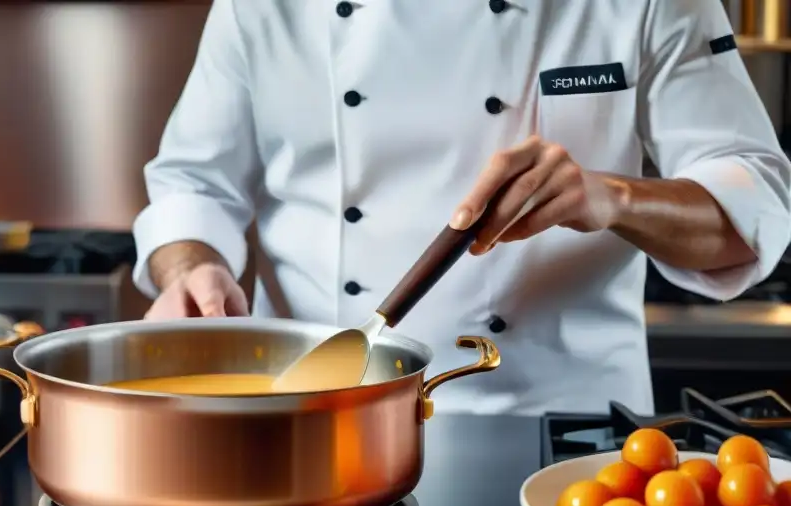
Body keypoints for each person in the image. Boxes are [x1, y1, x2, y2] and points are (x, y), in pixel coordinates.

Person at [131, 0, 791, 415]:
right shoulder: (262, 9)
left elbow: (753, 208)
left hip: (566, 432)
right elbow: (193, 183)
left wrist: (614, 196)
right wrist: (191, 266)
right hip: (315, 420)